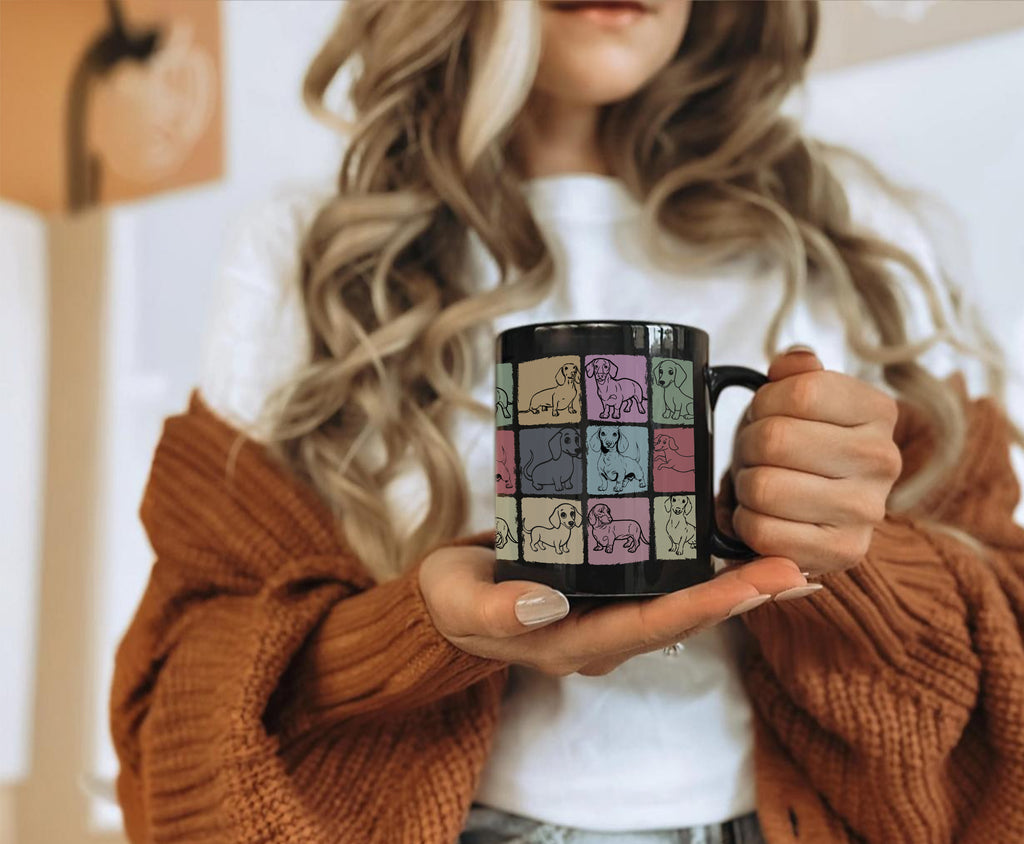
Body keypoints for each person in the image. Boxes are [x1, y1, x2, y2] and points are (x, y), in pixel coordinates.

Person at [109, 1, 1024, 843]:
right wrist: (414, 633)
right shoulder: (314, 256)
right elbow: (183, 686)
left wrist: (845, 560)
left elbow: (1003, 654)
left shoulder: (849, 233)